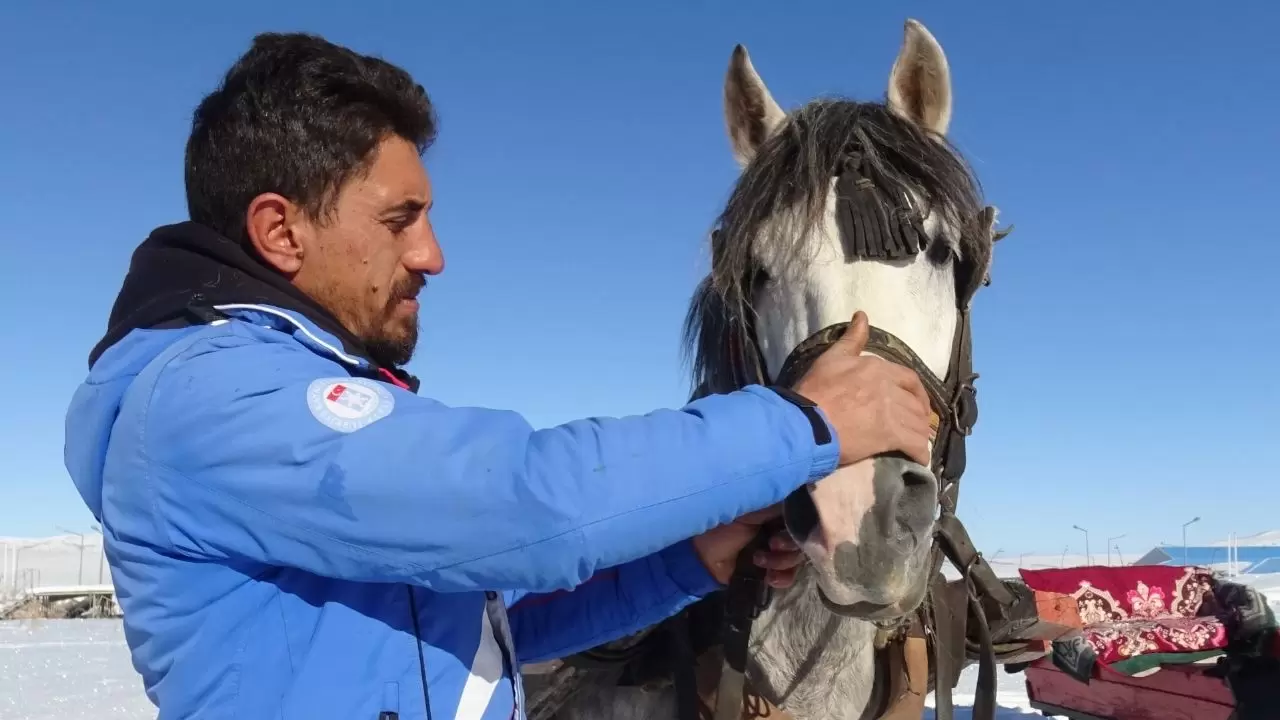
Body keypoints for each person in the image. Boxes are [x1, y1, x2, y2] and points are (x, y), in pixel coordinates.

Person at [63, 32, 933, 720]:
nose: (432, 256)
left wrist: (690, 561)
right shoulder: (203, 398)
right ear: (281, 233)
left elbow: (491, 623)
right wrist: (804, 424)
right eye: (401, 219)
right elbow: (526, 500)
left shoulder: (266, 387)